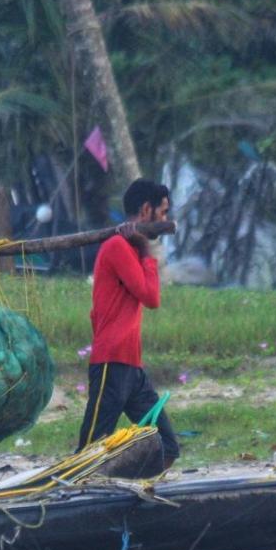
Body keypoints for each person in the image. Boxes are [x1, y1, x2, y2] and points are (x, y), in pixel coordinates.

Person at [76, 178, 181, 473]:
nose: (165, 220)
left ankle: (121, 489)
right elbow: (151, 298)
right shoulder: (117, 247)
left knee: (167, 447)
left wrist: (142, 250)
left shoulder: (131, 248)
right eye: (162, 212)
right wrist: (146, 252)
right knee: (89, 450)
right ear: (146, 210)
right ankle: (77, 493)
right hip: (111, 362)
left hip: (132, 368)